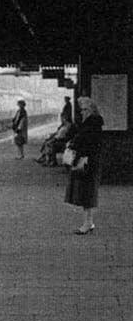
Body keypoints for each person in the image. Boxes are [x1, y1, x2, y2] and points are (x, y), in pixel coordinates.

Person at [64, 96, 104, 234]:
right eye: (81, 109)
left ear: (91, 110)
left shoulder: (93, 123)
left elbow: (88, 142)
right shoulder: (89, 122)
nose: (82, 112)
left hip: (88, 161)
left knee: (87, 193)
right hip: (87, 160)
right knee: (85, 192)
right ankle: (88, 222)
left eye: (84, 109)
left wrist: (75, 145)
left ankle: (88, 223)